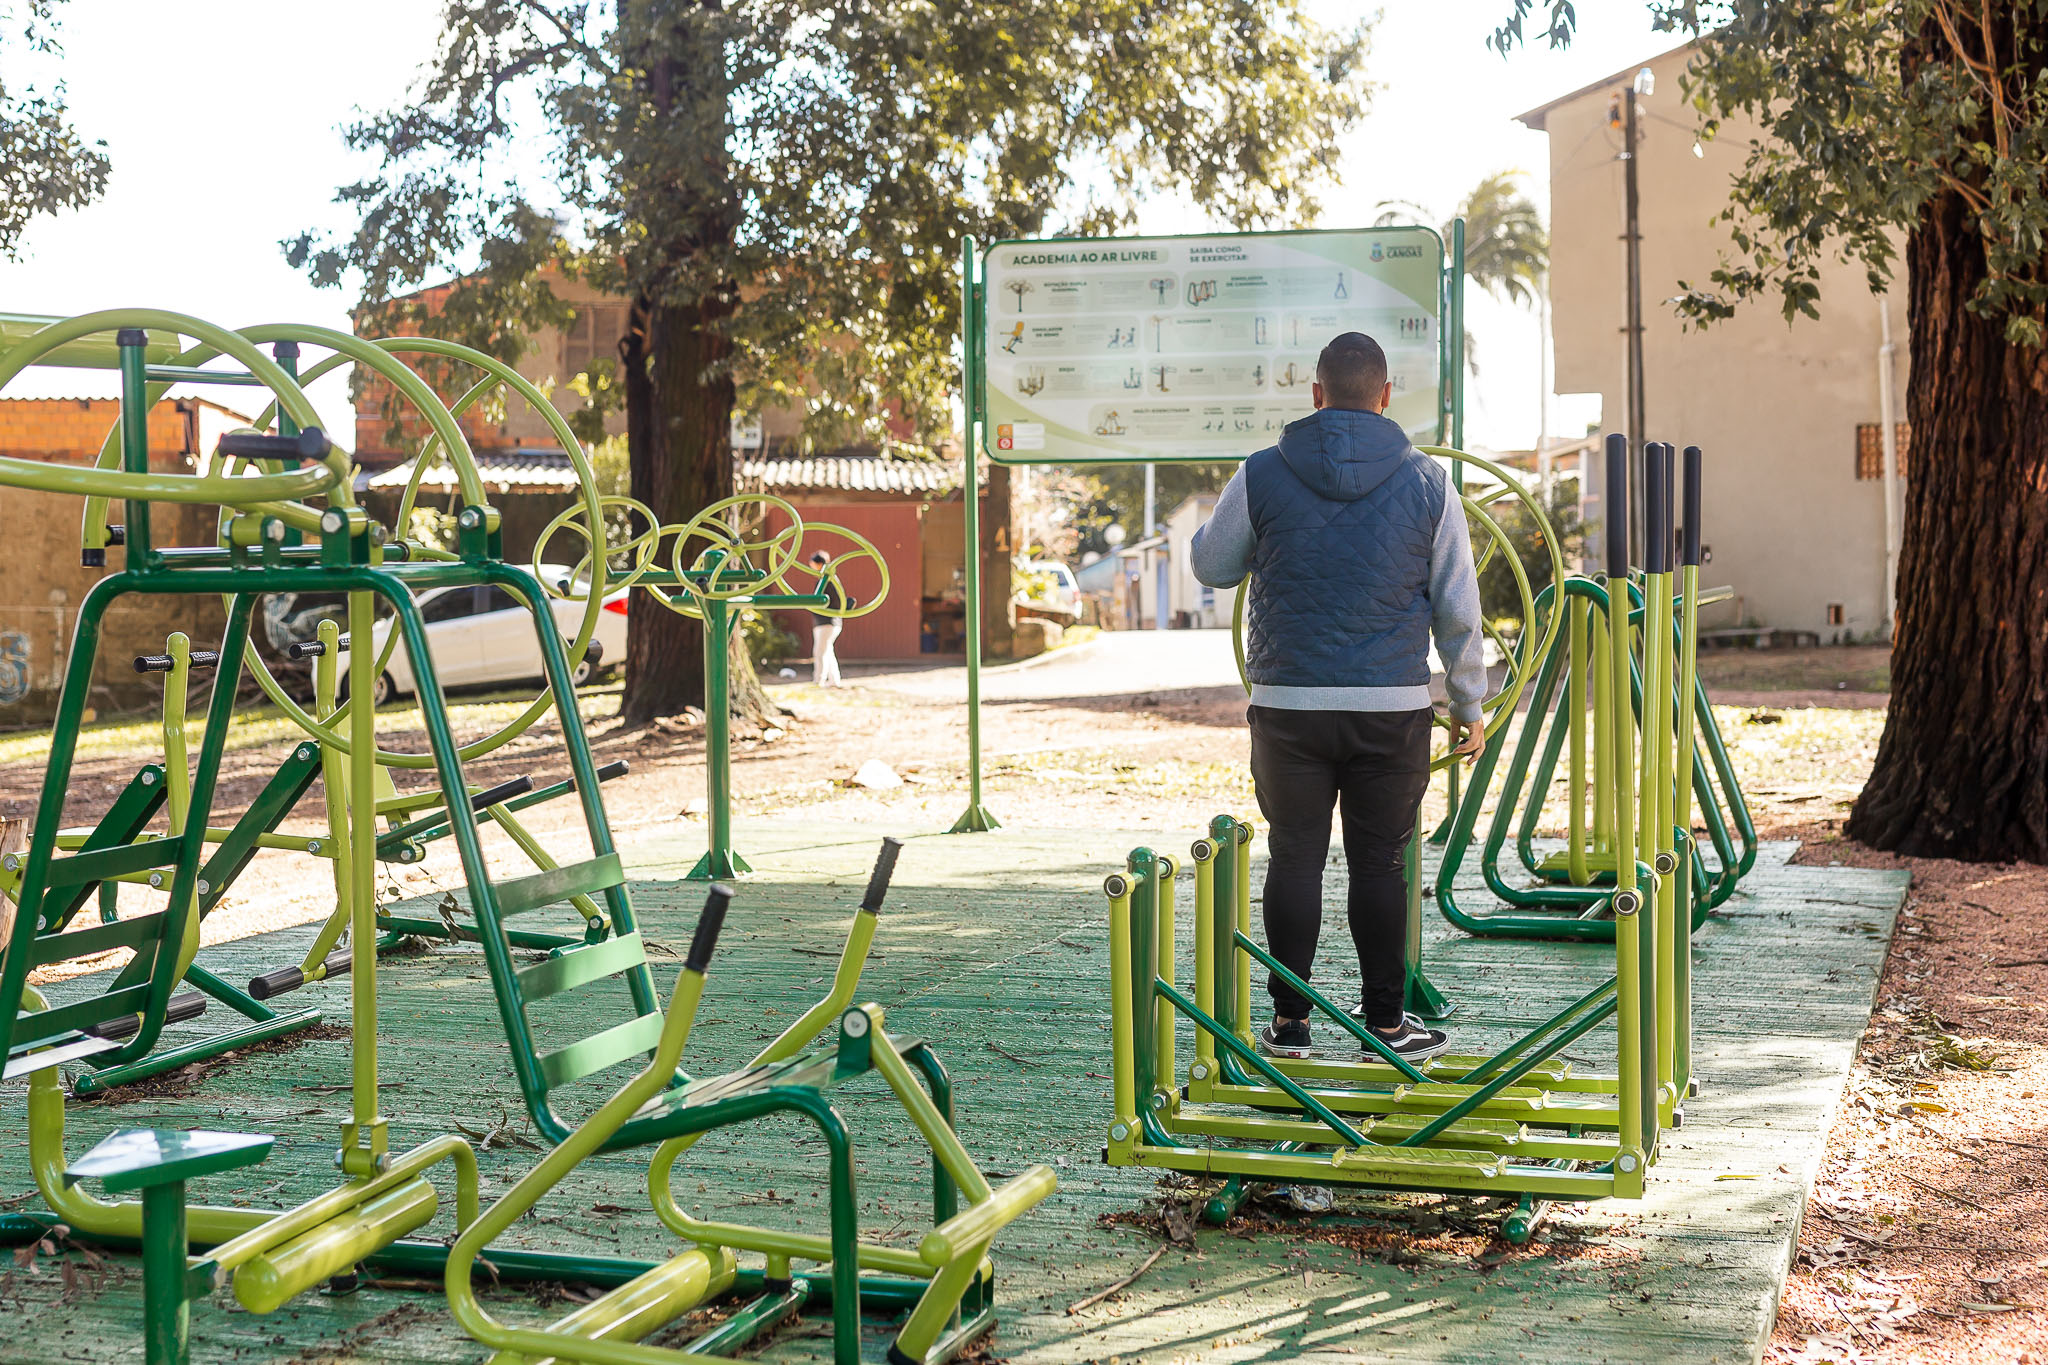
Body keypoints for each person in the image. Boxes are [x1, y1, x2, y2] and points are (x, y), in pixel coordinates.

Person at [1190, 331, 1487, 1062]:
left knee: (1294, 857)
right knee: (1380, 861)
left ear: (1316, 395)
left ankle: (1290, 1025)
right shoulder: (1429, 482)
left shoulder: (1261, 473)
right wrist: (1469, 702)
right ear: (1385, 398)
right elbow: (1457, 606)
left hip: (1289, 702)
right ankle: (1386, 1025)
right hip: (1391, 705)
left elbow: (1210, 564)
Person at [808, 551, 846, 687]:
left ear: (819, 564)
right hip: (825, 622)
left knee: (820, 652)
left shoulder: (828, 579)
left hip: (828, 622)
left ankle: (819, 680)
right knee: (827, 651)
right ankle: (834, 680)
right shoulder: (825, 579)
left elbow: (835, 601)